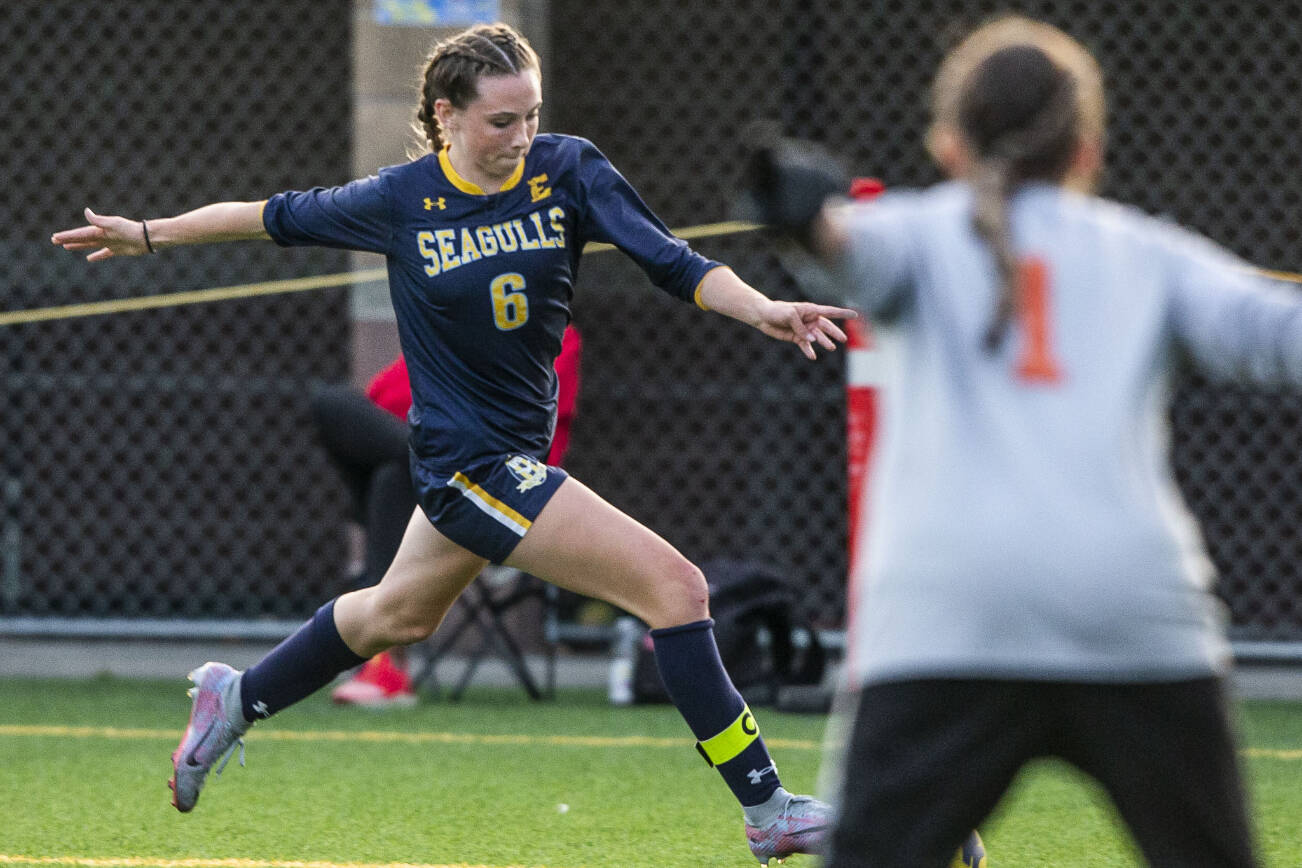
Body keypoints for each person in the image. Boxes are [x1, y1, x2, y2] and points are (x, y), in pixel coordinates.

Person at [51, 22, 855, 864]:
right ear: (446, 115)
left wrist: (761, 307)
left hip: (514, 462)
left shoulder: (569, 170)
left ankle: (236, 696)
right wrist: (145, 234)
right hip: (465, 465)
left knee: (395, 614)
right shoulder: (400, 200)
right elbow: (263, 217)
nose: (521, 138)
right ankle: (769, 811)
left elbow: (673, 261)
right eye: (501, 121)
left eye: (531, 117)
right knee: (678, 590)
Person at [743, 14, 1275, 867]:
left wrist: (802, 215)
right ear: (1088, 149)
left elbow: (842, 253)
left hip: (947, 614)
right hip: (1131, 614)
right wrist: (817, 228)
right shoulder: (1149, 252)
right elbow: (1270, 330)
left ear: (949, 144)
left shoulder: (914, 231)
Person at [320, 324, 581, 706]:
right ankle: (384, 659)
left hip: (497, 492)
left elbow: (525, 420)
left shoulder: (556, 332)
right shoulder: (458, 324)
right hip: (426, 483)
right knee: (332, 405)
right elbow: (385, 395)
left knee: (397, 472)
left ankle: (385, 658)